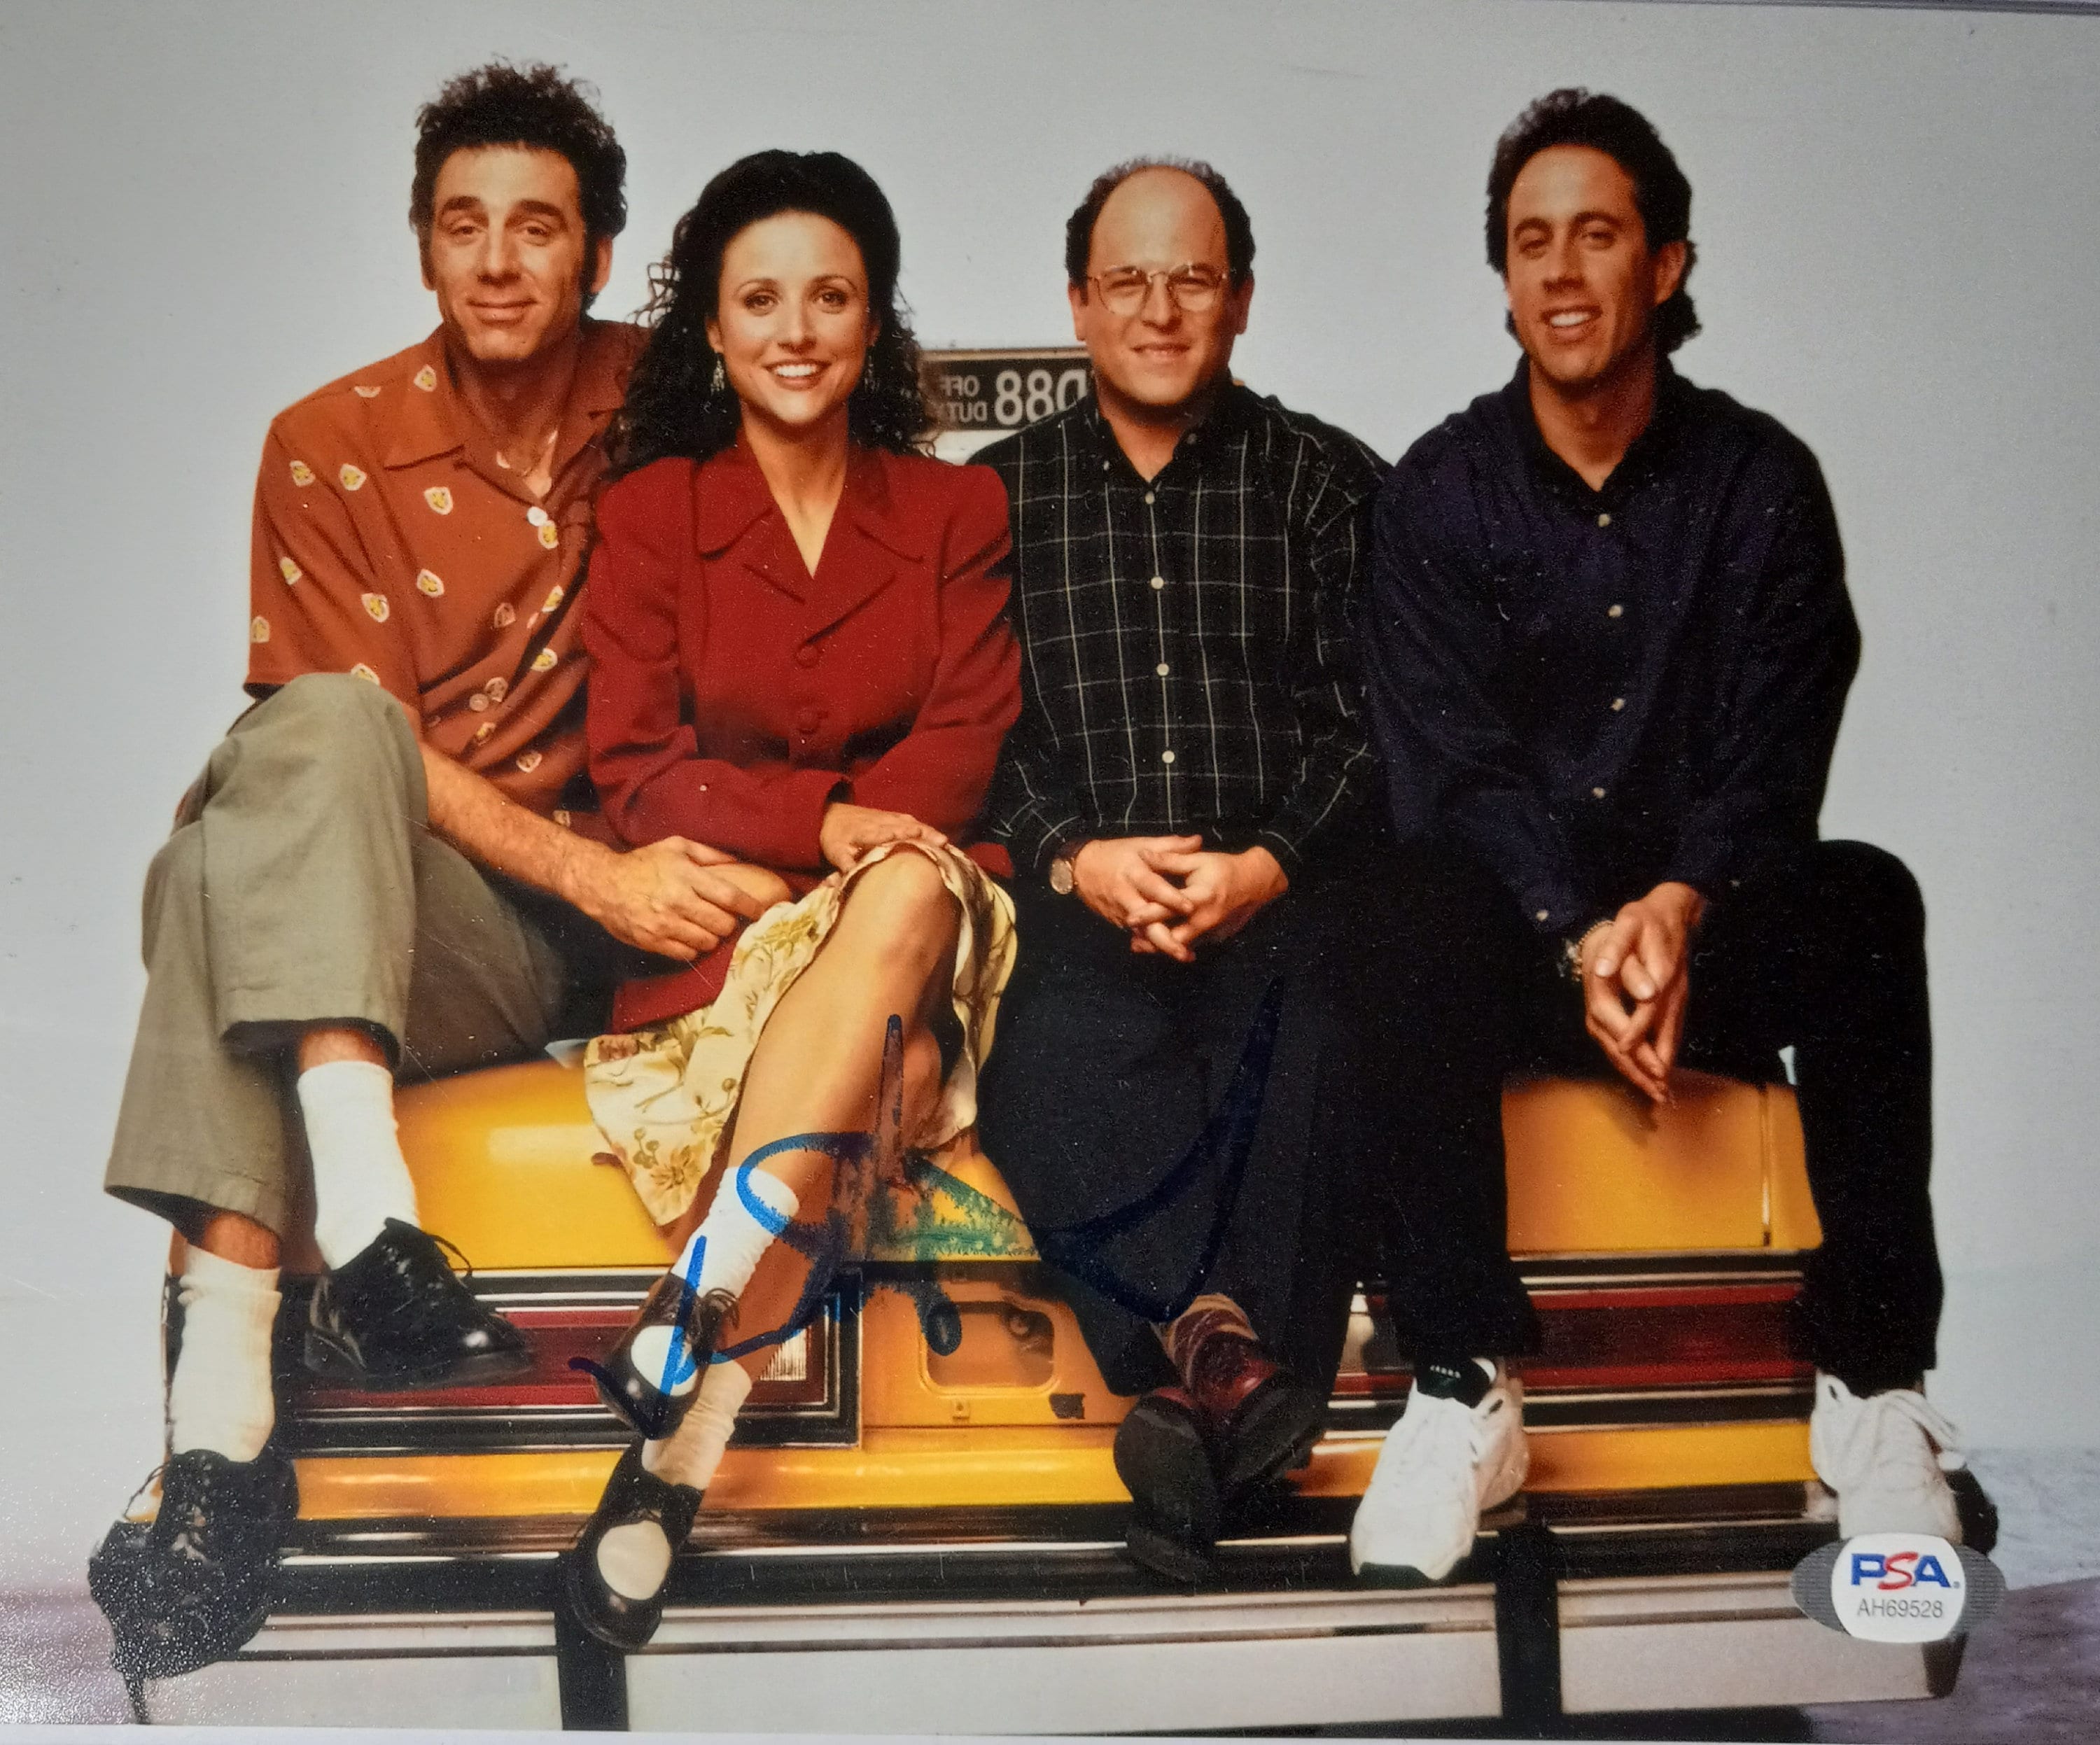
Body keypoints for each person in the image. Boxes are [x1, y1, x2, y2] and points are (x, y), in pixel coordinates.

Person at [86, 64, 789, 1680]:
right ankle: (361, 1240)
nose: (496, 259)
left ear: (597, 254)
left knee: (209, 883)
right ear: (421, 246)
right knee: (324, 730)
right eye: (462, 225)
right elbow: (354, 753)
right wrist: (598, 872)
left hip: (534, 944)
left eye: (536, 227)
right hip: (403, 900)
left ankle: (218, 1435)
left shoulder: (681, 404)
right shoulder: (325, 443)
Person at [1353, 88, 1961, 1586]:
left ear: (1668, 263)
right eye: (1531, 242)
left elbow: (1778, 745)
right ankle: (1462, 1388)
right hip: (1527, 951)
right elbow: (1455, 768)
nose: (1561, 272)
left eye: (1598, 236)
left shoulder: (1762, 482)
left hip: (1709, 935)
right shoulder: (1439, 492)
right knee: (1396, 901)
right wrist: (1581, 938)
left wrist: (1680, 904)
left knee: (1869, 897)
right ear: (1504, 276)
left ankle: (1876, 1391)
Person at [558, 148, 1021, 1651]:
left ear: (874, 320)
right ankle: (678, 1463)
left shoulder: (955, 509)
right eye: (760, 300)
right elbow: (637, 768)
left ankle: (700, 1279)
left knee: (910, 887)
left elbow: (968, 739)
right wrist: (822, 826)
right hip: (733, 928)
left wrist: (844, 851)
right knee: (873, 1053)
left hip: (921, 908)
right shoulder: (653, 513)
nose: (797, 329)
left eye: (831, 296)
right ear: (712, 327)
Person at [973, 159, 1390, 1581]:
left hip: (1277, 907)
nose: (1159, 309)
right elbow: (982, 735)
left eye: (1193, 278)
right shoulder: (992, 498)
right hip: (1079, 914)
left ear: (1243, 300)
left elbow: (1367, 725)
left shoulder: (1327, 483)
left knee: (1330, 1025)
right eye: (1128, 280)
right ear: (1078, 303)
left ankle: (1179, 1392)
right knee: (1028, 1038)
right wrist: (1073, 858)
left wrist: (1269, 863)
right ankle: (1230, 1362)